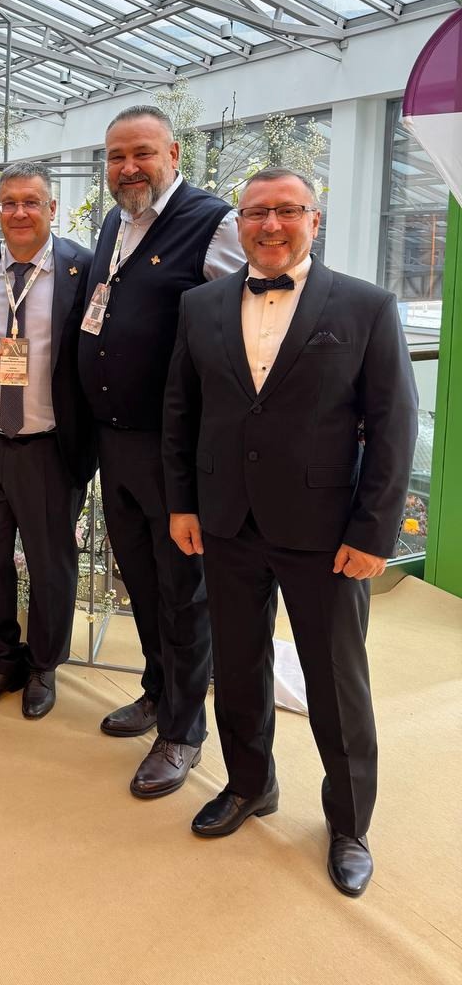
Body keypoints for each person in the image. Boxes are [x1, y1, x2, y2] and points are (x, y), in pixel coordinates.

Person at [163, 168, 418, 897]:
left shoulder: (366, 305)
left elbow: (394, 425)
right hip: (227, 521)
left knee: (336, 682)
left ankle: (350, 824)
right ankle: (250, 784)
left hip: (327, 530)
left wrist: (374, 532)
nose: (270, 225)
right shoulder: (201, 305)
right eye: (255, 213)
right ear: (238, 223)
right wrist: (183, 504)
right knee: (237, 665)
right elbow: (182, 411)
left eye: (287, 211)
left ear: (314, 219)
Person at [78, 105, 244, 797]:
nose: (128, 168)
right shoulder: (116, 222)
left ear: (173, 154)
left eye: (142, 153)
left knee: (183, 595)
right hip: (116, 443)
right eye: (116, 157)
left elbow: (242, 327)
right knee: (141, 582)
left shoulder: (215, 223)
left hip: (175, 448)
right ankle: (156, 689)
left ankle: (182, 731)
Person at [0, 163, 94, 719]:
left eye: (31, 202)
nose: (19, 212)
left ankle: (43, 666)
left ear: (52, 209)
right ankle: (1, 661)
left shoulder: (82, 268)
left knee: (50, 564)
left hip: (49, 445)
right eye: (9, 202)